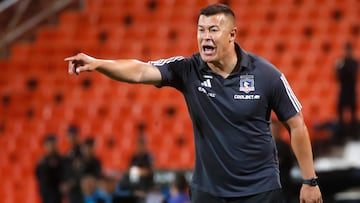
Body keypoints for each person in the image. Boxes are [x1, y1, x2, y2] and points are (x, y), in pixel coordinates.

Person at [65, 4, 322, 203]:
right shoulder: (188, 70)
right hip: (208, 192)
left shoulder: (267, 75)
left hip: (260, 192)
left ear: (232, 34)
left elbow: (296, 125)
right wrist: (99, 63)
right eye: (200, 30)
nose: (204, 37)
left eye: (213, 30)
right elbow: (140, 71)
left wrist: (310, 181)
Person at [335, 42, 359, 140]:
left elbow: (353, 75)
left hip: (351, 91)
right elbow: (339, 76)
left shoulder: (355, 62)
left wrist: (345, 65)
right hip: (343, 91)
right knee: (340, 113)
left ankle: (353, 135)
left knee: (353, 114)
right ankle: (341, 135)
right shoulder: (340, 62)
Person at [35, 134, 64, 203]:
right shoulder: (42, 162)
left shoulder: (61, 159)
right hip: (46, 192)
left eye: (54, 144)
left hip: (57, 192)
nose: (53, 146)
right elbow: (38, 176)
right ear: (46, 146)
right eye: (51, 144)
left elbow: (63, 174)